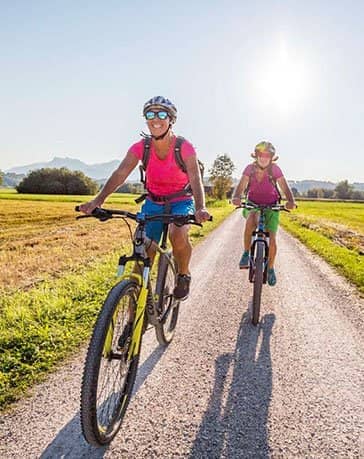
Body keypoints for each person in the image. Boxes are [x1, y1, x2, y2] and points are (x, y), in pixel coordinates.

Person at [79, 96, 210, 300]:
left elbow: (195, 177)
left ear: (171, 119)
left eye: (161, 114)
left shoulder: (183, 146)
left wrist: (200, 207)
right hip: (153, 202)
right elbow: (120, 173)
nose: (155, 119)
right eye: (150, 114)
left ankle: (183, 274)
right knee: (143, 251)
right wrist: (98, 201)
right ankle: (134, 315)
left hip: (180, 201)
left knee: (177, 234)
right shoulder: (141, 147)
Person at [231, 141, 296, 286]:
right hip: (252, 204)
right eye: (260, 154)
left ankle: (271, 268)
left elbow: (285, 187)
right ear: (256, 155)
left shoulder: (275, 170)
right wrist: (236, 197)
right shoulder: (250, 169)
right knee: (251, 218)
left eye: (267, 155)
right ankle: (246, 253)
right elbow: (241, 185)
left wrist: (291, 201)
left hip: (271, 206)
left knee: (272, 238)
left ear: (271, 157)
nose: (263, 158)